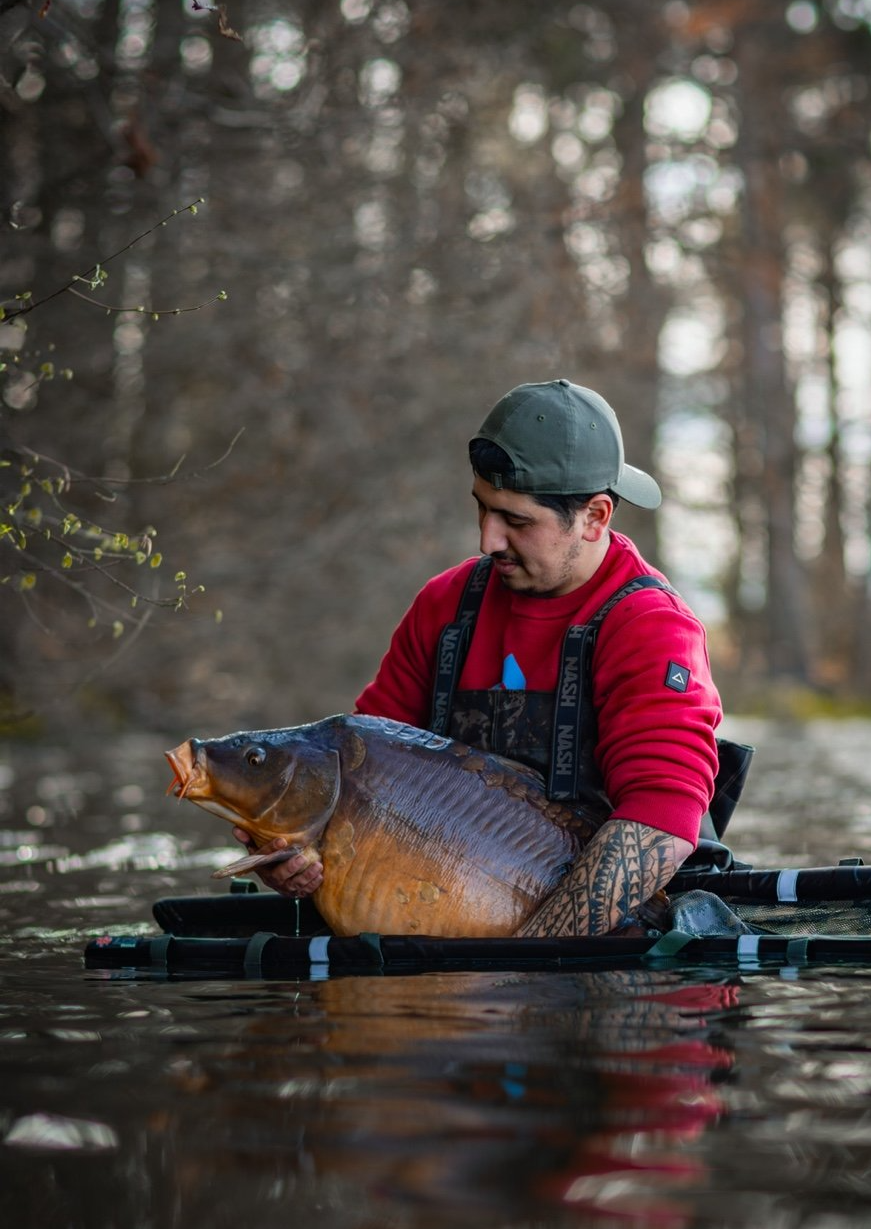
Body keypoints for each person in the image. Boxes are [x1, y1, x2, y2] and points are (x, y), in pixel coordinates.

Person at [238, 378, 725, 937]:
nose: (487, 540)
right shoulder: (443, 606)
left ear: (595, 517)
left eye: (516, 521)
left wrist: (530, 964)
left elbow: (660, 819)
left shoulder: (651, 625)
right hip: (449, 912)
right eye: (483, 509)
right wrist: (300, 853)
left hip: (623, 941)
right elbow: (364, 768)